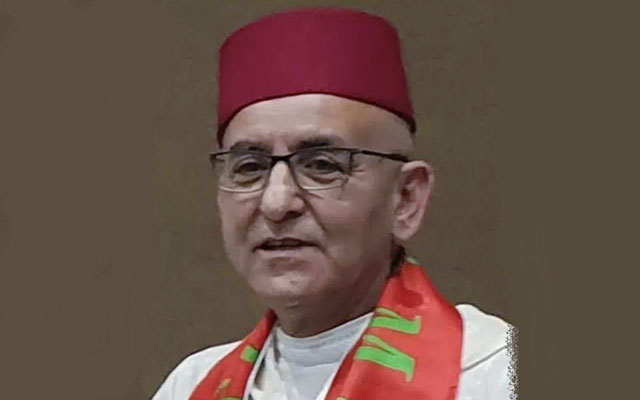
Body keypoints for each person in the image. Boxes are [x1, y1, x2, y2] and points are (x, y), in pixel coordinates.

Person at [153, 7, 514, 400]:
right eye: (249, 167)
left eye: (322, 165)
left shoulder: (496, 375)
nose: (276, 203)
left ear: (405, 199)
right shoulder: (191, 385)